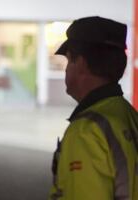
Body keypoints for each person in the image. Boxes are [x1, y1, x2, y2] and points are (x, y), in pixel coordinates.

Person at [50, 16, 138, 199]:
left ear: (81, 63)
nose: (66, 70)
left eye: (68, 61)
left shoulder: (86, 131)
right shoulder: (129, 115)